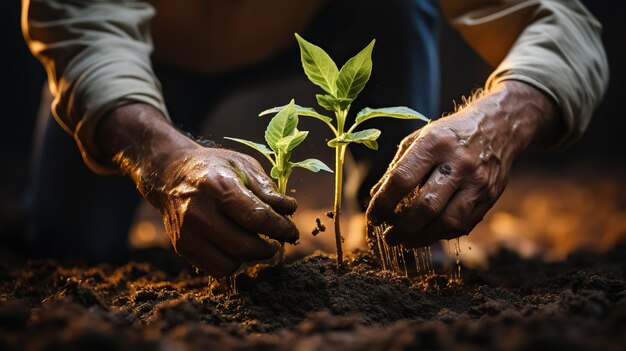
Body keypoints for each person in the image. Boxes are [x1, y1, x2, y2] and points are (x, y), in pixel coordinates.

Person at [22, 0, 608, 278]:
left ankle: (401, 243)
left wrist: (500, 121)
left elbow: (562, 21)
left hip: (334, 21)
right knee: (67, 246)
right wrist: (162, 157)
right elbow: (78, 22)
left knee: (399, 7)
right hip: (143, 56)